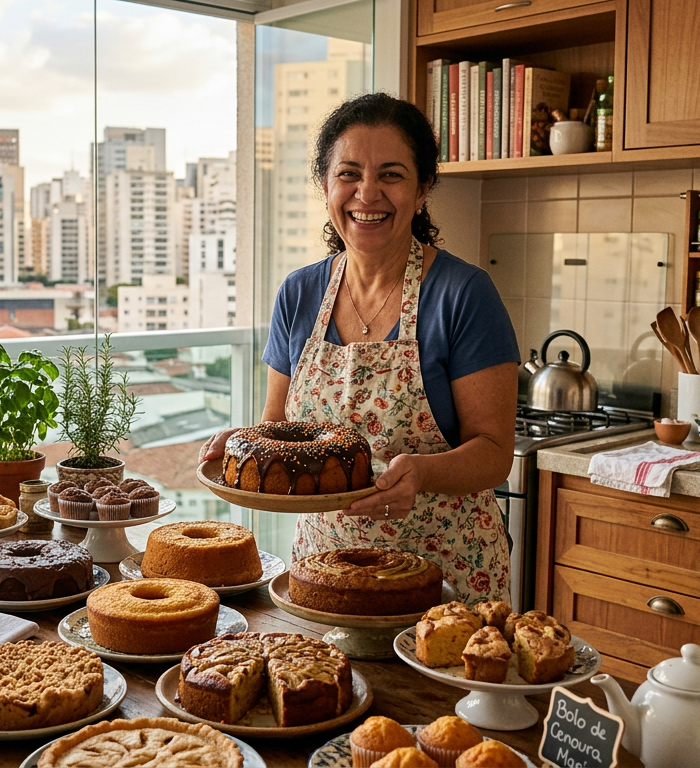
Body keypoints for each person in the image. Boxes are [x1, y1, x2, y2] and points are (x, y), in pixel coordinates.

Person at [201, 93, 520, 603]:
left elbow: (494, 454)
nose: (367, 193)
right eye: (348, 173)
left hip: (444, 577)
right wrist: (240, 444)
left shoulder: (464, 294)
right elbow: (278, 423)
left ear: (422, 191)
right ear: (326, 187)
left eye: (391, 174)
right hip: (323, 569)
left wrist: (422, 473)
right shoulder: (299, 293)